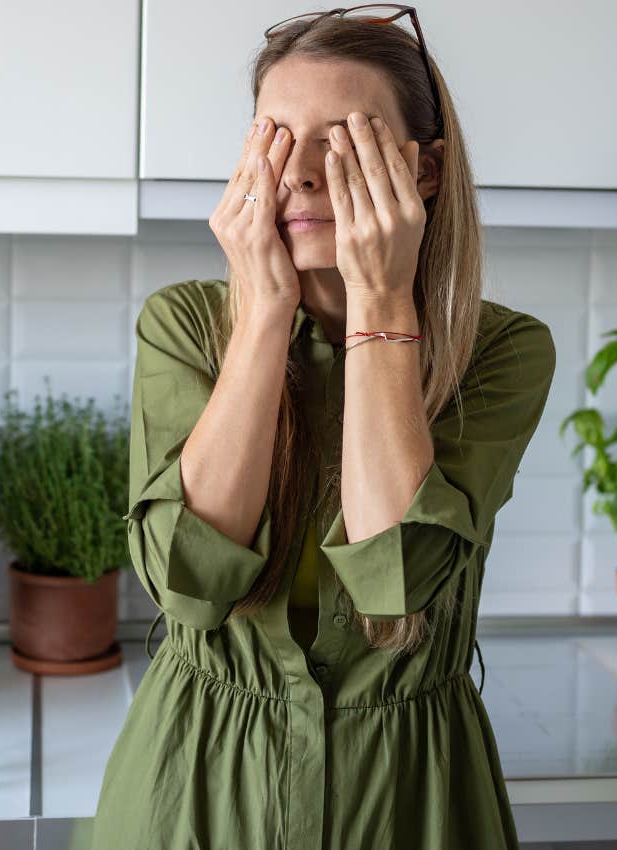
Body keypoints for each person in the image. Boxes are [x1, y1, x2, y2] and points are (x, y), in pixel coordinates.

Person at [91, 7, 556, 849]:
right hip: (193, 785)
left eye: (343, 139)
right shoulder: (184, 325)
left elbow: (395, 577)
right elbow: (189, 581)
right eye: (277, 138)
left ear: (423, 170)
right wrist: (264, 313)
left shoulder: (502, 351)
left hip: (410, 796)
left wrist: (381, 299)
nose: (300, 175)